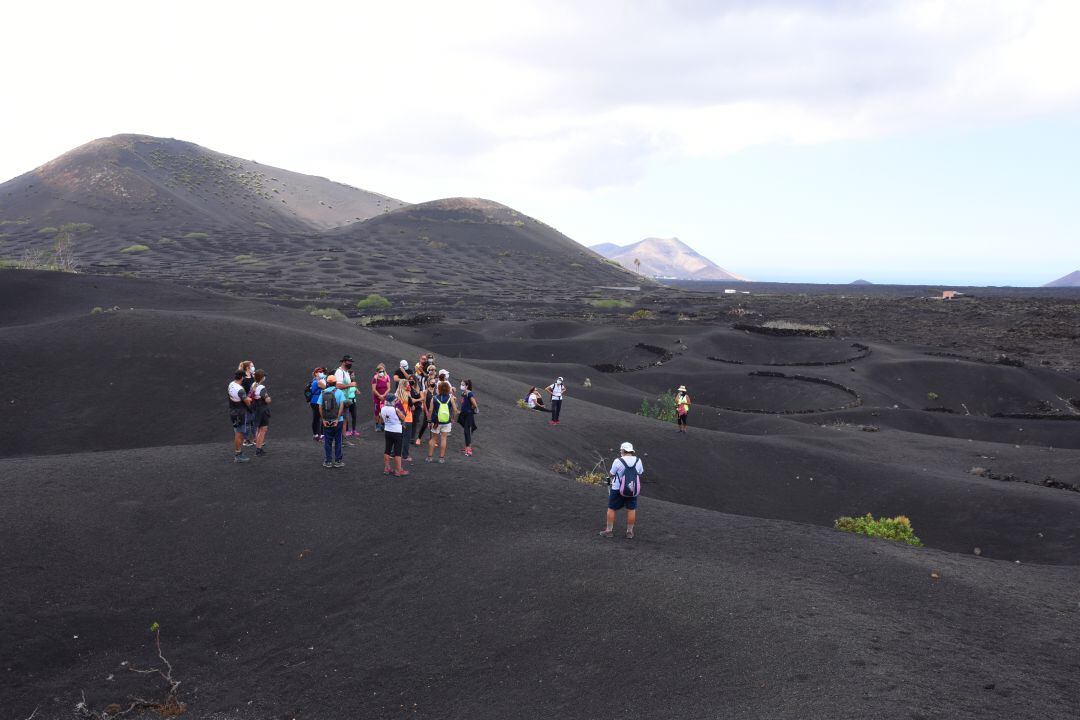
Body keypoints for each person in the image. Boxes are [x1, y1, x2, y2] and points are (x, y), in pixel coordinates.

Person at [601, 442, 643, 539]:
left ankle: (609, 531)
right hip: (632, 489)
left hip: (617, 488)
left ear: (623, 450)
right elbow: (640, 473)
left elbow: (611, 473)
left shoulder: (618, 461)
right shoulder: (638, 460)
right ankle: (629, 532)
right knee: (631, 510)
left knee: (611, 508)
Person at [426, 380, 458, 464]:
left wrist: (429, 420)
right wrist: (453, 418)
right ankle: (441, 458)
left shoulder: (434, 398)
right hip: (446, 421)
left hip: (436, 422)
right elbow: (455, 410)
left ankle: (430, 457)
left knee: (433, 439)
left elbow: (430, 410)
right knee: (444, 439)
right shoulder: (450, 398)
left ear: (439, 389)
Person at [319, 375, 347, 468]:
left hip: (326, 420)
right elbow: (342, 406)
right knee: (338, 440)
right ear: (335, 383)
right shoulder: (339, 392)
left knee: (328, 441)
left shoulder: (323, 392)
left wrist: (323, 419)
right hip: (338, 421)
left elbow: (320, 407)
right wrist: (337, 419)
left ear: (327, 383)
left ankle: (328, 461)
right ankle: (338, 461)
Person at [380, 389, 409, 476]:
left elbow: (381, 420)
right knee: (397, 451)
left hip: (387, 430)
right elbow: (403, 418)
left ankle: (387, 468)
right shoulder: (395, 409)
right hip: (397, 431)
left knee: (387, 450)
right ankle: (398, 470)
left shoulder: (383, 409)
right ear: (392, 401)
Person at [228, 370, 253, 463]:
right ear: (242, 377)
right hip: (240, 414)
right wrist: (249, 399)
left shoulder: (231, 384)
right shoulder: (240, 389)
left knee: (237, 433)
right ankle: (238, 455)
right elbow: (247, 402)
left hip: (233, 411)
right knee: (239, 434)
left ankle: (238, 453)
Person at [250, 370, 272, 456]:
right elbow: (267, 399)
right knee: (263, 429)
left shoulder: (253, 385)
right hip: (262, 410)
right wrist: (269, 399)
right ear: (262, 377)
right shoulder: (262, 387)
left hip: (256, 410)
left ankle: (258, 448)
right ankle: (258, 449)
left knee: (259, 429)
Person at [336, 355, 359, 437]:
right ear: (343, 362)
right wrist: (350, 384)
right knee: (340, 420)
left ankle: (343, 439)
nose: (350, 363)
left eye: (351, 362)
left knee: (345, 420)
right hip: (340, 400)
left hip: (345, 400)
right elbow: (338, 385)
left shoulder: (346, 372)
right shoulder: (339, 372)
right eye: (349, 362)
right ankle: (340, 439)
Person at [238, 360, 256, 446]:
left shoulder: (252, 376)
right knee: (248, 421)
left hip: (254, 401)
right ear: (248, 367)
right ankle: (246, 440)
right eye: (252, 366)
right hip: (247, 402)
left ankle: (256, 438)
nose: (253, 367)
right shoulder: (243, 379)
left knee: (254, 421)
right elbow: (242, 391)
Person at [458, 379, 478, 456]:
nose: (461, 386)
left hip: (468, 415)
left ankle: (468, 449)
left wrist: (469, 410)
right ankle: (467, 446)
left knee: (466, 431)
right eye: (461, 384)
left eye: (463, 385)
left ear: (467, 386)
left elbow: (475, 405)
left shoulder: (469, 394)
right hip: (464, 414)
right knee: (466, 429)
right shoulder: (464, 393)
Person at [395, 381, 414, 462]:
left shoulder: (396, 395)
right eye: (408, 385)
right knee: (406, 438)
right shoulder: (407, 396)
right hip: (407, 419)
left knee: (398, 437)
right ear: (405, 386)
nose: (409, 386)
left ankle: (393, 453)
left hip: (398, 419)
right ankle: (405, 455)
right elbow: (413, 408)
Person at [371, 363, 391, 431]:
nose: (381, 373)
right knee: (377, 411)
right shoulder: (375, 378)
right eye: (380, 371)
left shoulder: (387, 377)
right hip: (377, 397)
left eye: (383, 371)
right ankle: (377, 425)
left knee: (384, 410)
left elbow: (388, 388)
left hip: (384, 397)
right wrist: (379, 396)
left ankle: (382, 424)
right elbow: (373, 389)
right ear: (377, 372)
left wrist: (384, 395)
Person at [308, 367, 326, 441]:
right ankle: (319, 435)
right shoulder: (317, 382)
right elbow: (325, 387)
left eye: (322, 371)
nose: (321, 372)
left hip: (319, 401)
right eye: (319, 371)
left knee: (318, 418)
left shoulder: (319, 380)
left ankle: (317, 435)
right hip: (316, 401)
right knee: (318, 418)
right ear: (315, 373)